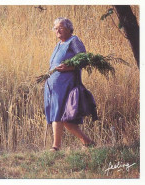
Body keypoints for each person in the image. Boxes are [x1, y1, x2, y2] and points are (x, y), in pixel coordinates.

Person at [44, 17, 95, 151]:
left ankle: (56, 147)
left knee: (59, 114)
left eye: (61, 27)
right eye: (56, 28)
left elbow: (84, 60)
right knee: (63, 118)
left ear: (68, 28)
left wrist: (69, 68)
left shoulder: (74, 41)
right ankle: (88, 143)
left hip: (67, 85)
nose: (58, 30)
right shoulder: (58, 45)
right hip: (54, 87)